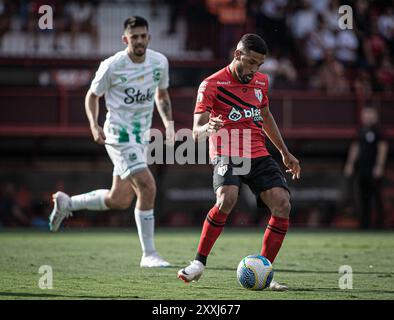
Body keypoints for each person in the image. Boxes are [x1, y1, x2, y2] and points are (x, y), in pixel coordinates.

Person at [177, 34, 301, 290]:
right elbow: (195, 131)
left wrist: (284, 152)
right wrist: (208, 127)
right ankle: (198, 263)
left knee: (282, 204)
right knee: (226, 198)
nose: (255, 69)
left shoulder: (261, 82)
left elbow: (265, 115)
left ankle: (264, 270)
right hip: (228, 151)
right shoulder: (211, 84)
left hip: (258, 153)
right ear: (237, 55)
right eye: (252, 62)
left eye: (260, 64)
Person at [49, 16, 174, 268]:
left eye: (143, 36)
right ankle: (148, 254)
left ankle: (68, 203)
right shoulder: (112, 65)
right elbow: (92, 96)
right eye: (134, 36)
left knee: (120, 199)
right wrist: (93, 125)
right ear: (125, 39)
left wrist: (169, 124)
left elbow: (161, 94)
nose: (139, 40)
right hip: (118, 135)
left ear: (149, 37)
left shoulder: (160, 62)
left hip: (140, 137)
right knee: (147, 186)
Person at [344, 107, 389, 229]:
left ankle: (381, 225)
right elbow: (355, 147)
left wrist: (379, 166)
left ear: (375, 116)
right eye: (365, 115)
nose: (368, 117)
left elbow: (382, 148)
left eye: (370, 115)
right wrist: (350, 164)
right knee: (363, 198)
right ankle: (365, 224)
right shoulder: (361, 131)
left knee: (377, 197)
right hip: (362, 170)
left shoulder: (379, 131)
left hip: (374, 170)